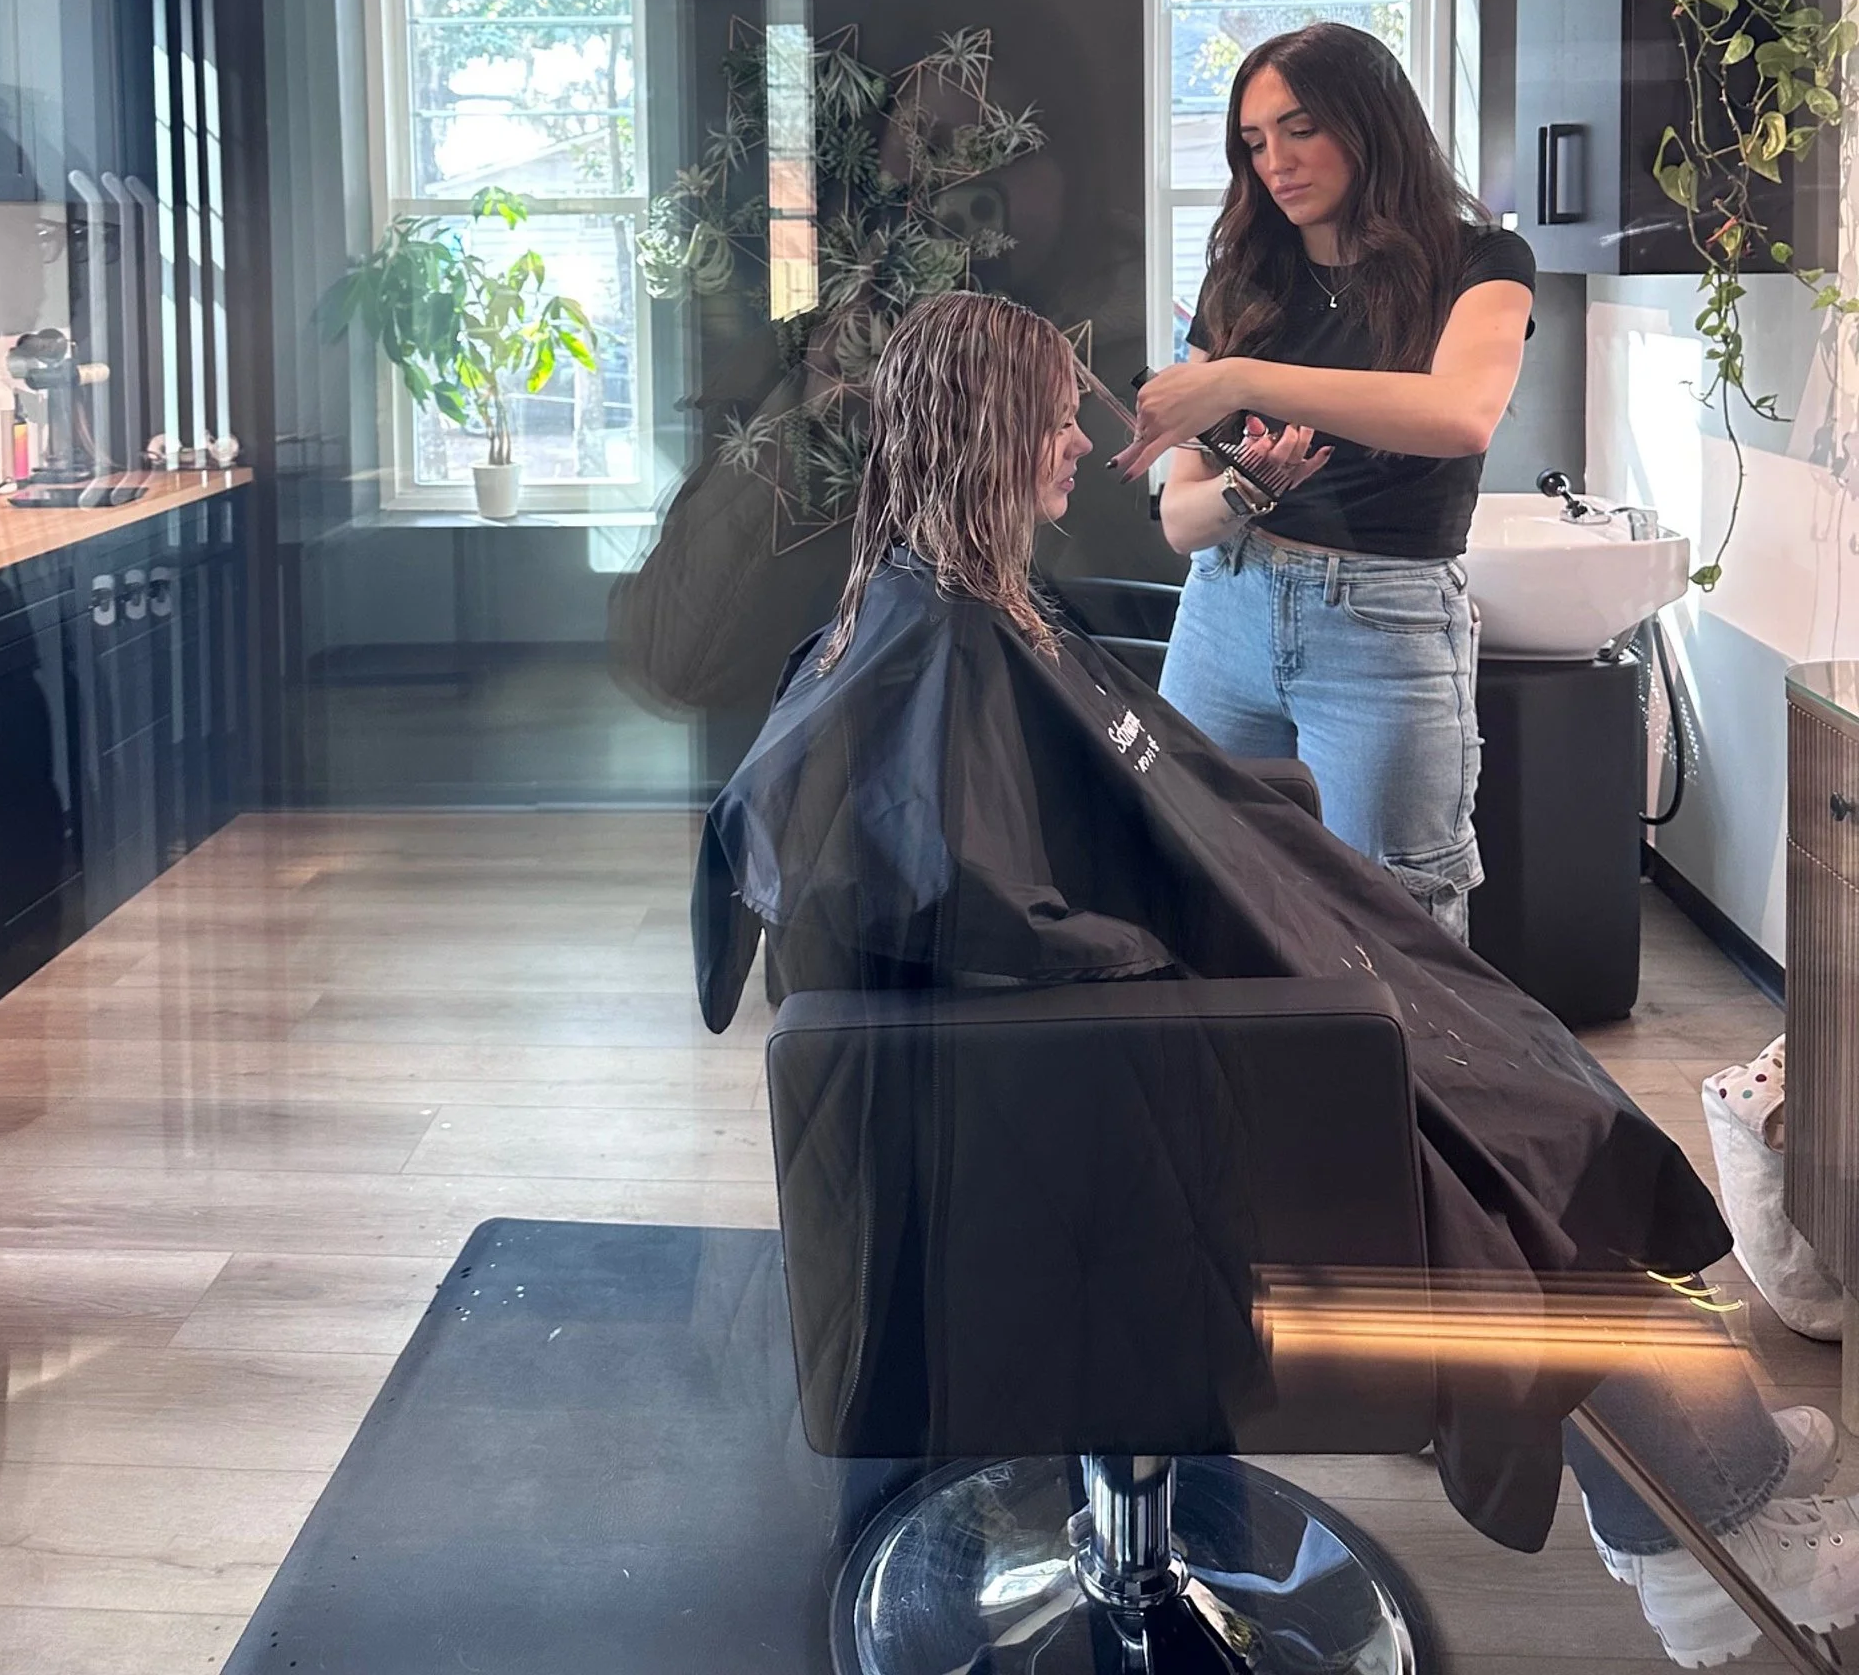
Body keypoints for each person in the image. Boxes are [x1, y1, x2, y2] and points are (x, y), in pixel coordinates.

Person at [694, 291, 1859, 1668]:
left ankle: (1705, 1465)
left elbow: (1067, 843)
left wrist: (1257, 880)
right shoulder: (932, 652)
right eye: (1056, 413)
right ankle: (1711, 1532)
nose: (1082, 436)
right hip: (1134, 1102)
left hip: (1183, 1032)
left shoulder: (935, 609)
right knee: (1516, 1134)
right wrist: (1219, 951)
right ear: (994, 432)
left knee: (1528, 1069)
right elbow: (995, 913)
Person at [1115, 20, 1534, 939]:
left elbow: (1460, 413)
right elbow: (1182, 523)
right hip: (1226, 609)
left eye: (1299, 128)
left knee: (1396, 921)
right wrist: (1249, 487)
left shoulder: (1481, 265)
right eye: (1255, 142)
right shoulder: (1245, 275)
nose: (1276, 162)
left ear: (1369, 119)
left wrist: (1239, 378)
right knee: (1203, 883)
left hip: (1381, 629)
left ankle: (1412, 1091)